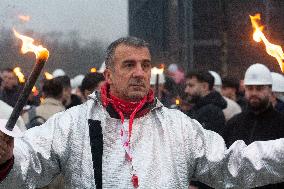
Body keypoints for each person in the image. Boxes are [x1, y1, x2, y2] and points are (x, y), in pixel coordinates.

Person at [0, 38, 284, 189]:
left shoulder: (178, 127)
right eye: (129, 65)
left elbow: (231, 166)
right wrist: (7, 157)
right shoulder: (73, 123)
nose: (139, 73)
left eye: (145, 65)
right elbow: (28, 166)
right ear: (109, 74)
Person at [225, 63, 284, 188]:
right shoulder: (233, 124)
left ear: (270, 90)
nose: (254, 93)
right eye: (250, 88)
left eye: (259, 88)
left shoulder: (280, 124)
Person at [184, 71, 227, 136]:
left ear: (205, 86)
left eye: (191, 86)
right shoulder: (198, 107)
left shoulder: (212, 112)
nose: (186, 90)